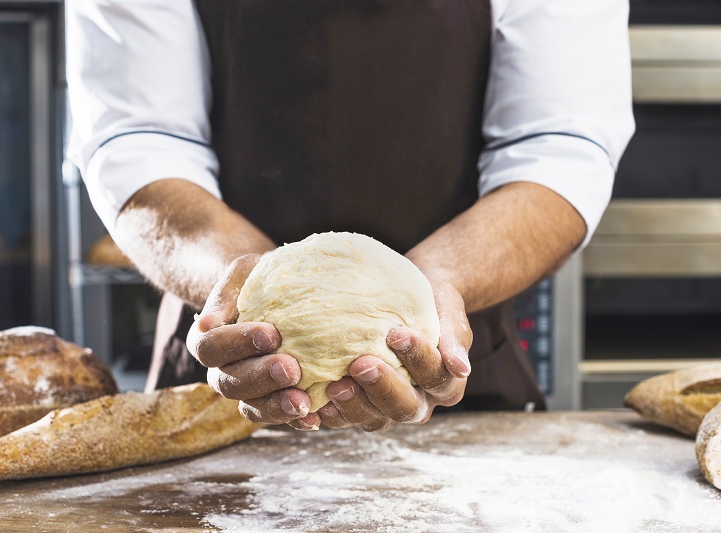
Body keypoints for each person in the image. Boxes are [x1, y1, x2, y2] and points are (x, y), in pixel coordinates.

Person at [65, 0, 634, 432]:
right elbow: (138, 139)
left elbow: (559, 145)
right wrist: (242, 286)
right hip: (222, 383)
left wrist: (438, 285)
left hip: (461, 387)